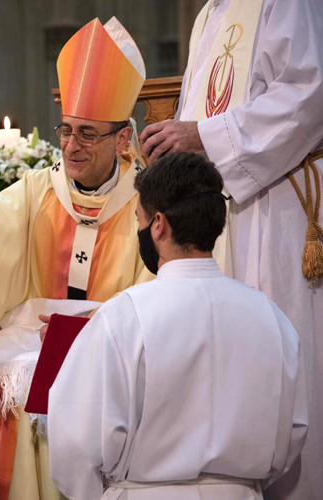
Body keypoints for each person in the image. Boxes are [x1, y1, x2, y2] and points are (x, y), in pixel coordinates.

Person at [0, 17, 151, 500]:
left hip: (112, 343)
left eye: (88, 134)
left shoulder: (147, 203)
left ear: (122, 139)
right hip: (33, 337)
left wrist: (91, 329)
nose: (70, 146)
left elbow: (160, 295)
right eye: (65, 130)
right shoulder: (38, 190)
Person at [139, 1, 323, 497]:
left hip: (274, 207)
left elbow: (310, 92)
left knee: (282, 350)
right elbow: (195, 117)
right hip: (218, 210)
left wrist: (202, 135)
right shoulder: (207, 15)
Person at [49, 152, 308, 500]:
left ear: (158, 225)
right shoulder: (271, 318)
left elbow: (74, 445)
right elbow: (292, 431)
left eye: (138, 219)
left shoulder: (122, 318)